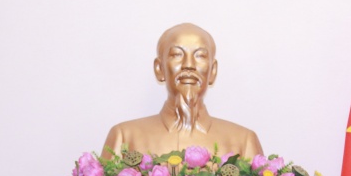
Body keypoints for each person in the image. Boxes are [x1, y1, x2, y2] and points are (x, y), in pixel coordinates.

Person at [102, 22, 264, 157]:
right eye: (177, 55)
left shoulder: (243, 141)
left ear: (213, 71)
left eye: (200, 55)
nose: (189, 64)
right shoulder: (125, 137)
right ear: (159, 68)